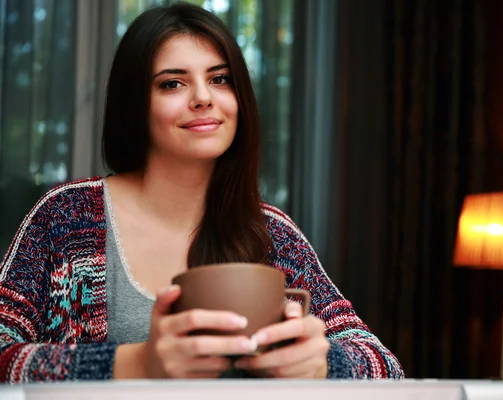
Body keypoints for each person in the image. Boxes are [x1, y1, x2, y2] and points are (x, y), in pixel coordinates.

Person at [0, 2, 404, 382]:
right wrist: (139, 361)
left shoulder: (272, 233)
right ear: (135, 104)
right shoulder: (66, 217)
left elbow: (384, 365)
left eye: (220, 79)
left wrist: (322, 362)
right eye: (172, 83)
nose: (203, 98)